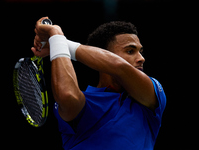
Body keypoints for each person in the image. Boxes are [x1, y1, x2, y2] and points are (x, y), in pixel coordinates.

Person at [31, 17, 166, 150]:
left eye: (140, 51)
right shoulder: (84, 102)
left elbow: (120, 67)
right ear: (102, 55)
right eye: (130, 51)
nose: (141, 58)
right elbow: (67, 95)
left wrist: (58, 42)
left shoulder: (150, 98)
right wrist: (56, 34)